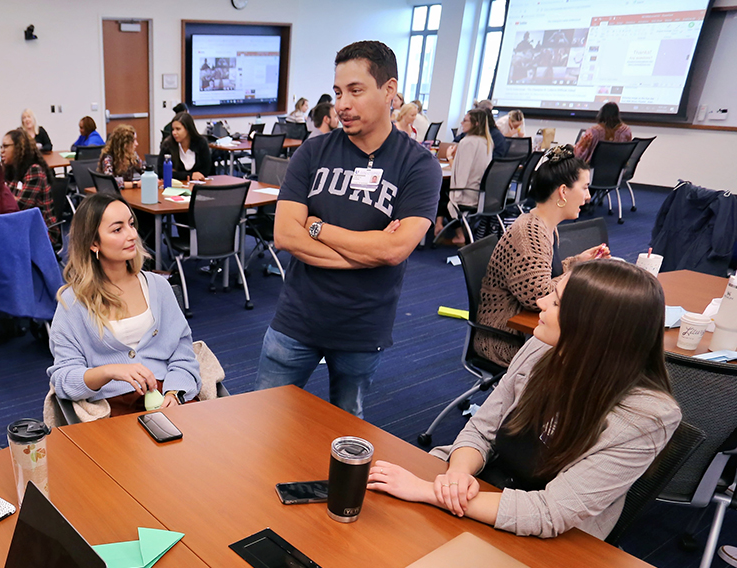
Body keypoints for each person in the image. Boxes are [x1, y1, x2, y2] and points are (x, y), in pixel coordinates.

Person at [368, 259, 681, 540]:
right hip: (487, 488)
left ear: (591, 328)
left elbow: (550, 512)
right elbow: (482, 429)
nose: (540, 302)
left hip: (552, 538)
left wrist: (428, 491)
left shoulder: (647, 418)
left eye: (557, 302)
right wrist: (456, 478)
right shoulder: (542, 348)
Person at [255, 40, 442, 417]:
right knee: (263, 422)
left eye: (355, 91)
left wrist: (318, 226)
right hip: (296, 319)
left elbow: (395, 250)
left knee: (345, 435)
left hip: (362, 328)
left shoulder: (419, 166)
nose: (342, 104)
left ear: (389, 90)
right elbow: (285, 235)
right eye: (339, 92)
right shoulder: (313, 151)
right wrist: (366, 253)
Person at [48, 194, 201, 416]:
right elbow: (63, 380)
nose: (132, 235)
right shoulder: (73, 303)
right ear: (93, 243)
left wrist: (175, 392)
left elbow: (183, 352)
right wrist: (109, 371)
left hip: (168, 394)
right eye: (117, 229)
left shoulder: (158, 286)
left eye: (131, 224)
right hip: (111, 406)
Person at [475, 145, 609, 366]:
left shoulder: (543, 224)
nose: (588, 197)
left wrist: (578, 261)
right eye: (585, 188)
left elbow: (541, 275)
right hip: (508, 337)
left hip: (523, 328)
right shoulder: (530, 233)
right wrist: (580, 270)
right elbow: (538, 297)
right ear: (563, 192)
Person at [439, 108, 494, 245]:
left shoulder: (468, 142)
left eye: (465, 120)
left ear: (475, 124)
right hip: (480, 194)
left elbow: (461, 174)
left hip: (467, 194)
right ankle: (441, 227)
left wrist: (449, 157)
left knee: (439, 192)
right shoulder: (486, 141)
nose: (461, 123)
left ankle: (458, 235)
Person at [1, 128, 58, 244]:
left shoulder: (34, 170)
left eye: (6, 146)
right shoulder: (11, 170)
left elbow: (18, 207)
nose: (2, 151)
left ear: (18, 148)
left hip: (41, 231)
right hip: (20, 225)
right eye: (1, 147)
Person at [160, 111, 213, 182]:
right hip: (176, 188)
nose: (174, 133)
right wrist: (190, 175)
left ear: (188, 129)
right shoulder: (168, 145)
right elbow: (162, 173)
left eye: (178, 129)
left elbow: (206, 171)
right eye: (173, 129)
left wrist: (176, 173)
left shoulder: (201, 143)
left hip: (199, 187)